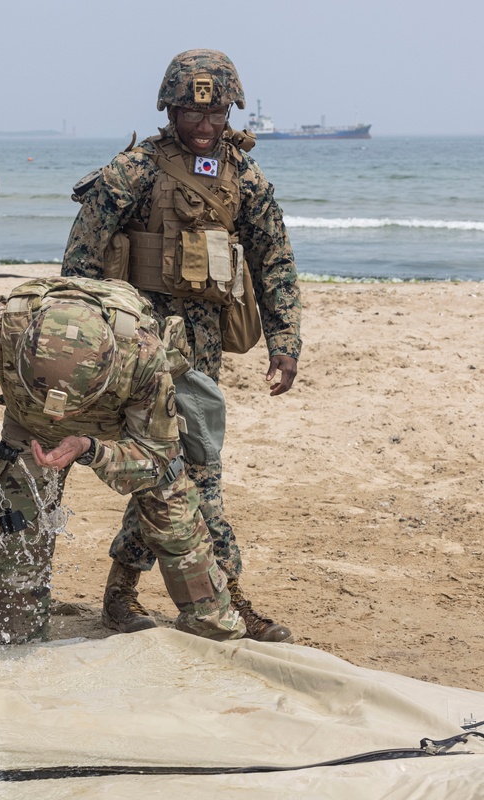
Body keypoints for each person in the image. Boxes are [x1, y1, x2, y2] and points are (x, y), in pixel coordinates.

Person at [61, 49, 302, 642]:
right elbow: (80, 263)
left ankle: (119, 593)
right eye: (190, 112)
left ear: (229, 110)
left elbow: (275, 261)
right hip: (137, 348)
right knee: (197, 472)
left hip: (200, 356)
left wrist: (285, 342)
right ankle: (229, 598)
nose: (204, 124)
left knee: (164, 468)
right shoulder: (134, 171)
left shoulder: (243, 177)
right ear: (169, 109)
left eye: (216, 111)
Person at [0, 275, 246, 646]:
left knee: (173, 515)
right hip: (29, 426)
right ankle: (18, 638)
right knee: (21, 522)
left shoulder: (142, 357)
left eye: (69, 406)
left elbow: (155, 459)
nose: (58, 417)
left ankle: (215, 629)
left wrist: (92, 449)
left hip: (123, 425)